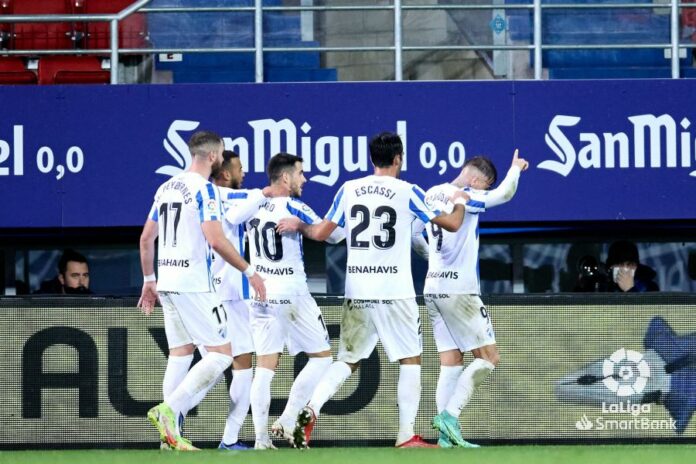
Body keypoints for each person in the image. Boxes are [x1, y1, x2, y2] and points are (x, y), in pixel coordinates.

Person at [277, 131, 468, 449]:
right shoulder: (407, 191)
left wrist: (299, 225)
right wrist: (460, 202)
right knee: (410, 359)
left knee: (346, 361)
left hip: (357, 290)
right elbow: (451, 224)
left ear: (371, 159)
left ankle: (311, 408)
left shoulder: (349, 189)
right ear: (398, 159)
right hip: (395, 291)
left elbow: (323, 232)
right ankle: (406, 434)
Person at [138, 131, 266, 451]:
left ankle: (169, 439)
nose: (222, 158)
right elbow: (216, 239)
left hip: (167, 282)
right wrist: (250, 271)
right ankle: (169, 410)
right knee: (222, 355)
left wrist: (149, 280)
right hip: (194, 284)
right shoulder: (204, 189)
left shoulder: (166, 187)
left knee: (180, 354)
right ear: (212, 156)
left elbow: (145, 238)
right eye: (221, 153)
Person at [421, 150, 528, 448]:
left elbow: (416, 235)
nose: (485, 191)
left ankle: (445, 438)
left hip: (433, 287)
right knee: (489, 358)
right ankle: (450, 417)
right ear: (476, 178)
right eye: (485, 184)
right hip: (460, 290)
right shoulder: (464, 195)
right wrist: (516, 169)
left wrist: (432, 260)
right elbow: (505, 194)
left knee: (451, 362)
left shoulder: (431, 193)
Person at [244, 153, 343, 449]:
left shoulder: (251, 206)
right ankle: (287, 420)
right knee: (323, 358)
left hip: (260, 294)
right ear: (285, 178)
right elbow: (335, 236)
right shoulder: (295, 206)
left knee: (264, 367)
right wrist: (303, 225)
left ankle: (261, 439)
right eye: (300, 173)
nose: (305, 179)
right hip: (291, 293)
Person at [171, 150, 268, 451]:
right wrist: (264, 192)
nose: (244, 173)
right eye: (239, 168)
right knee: (239, 363)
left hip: (205, 291)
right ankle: (226, 437)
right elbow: (238, 212)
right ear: (225, 173)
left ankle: (174, 422)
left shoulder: (199, 194)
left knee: (210, 365)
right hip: (231, 293)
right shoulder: (225, 196)